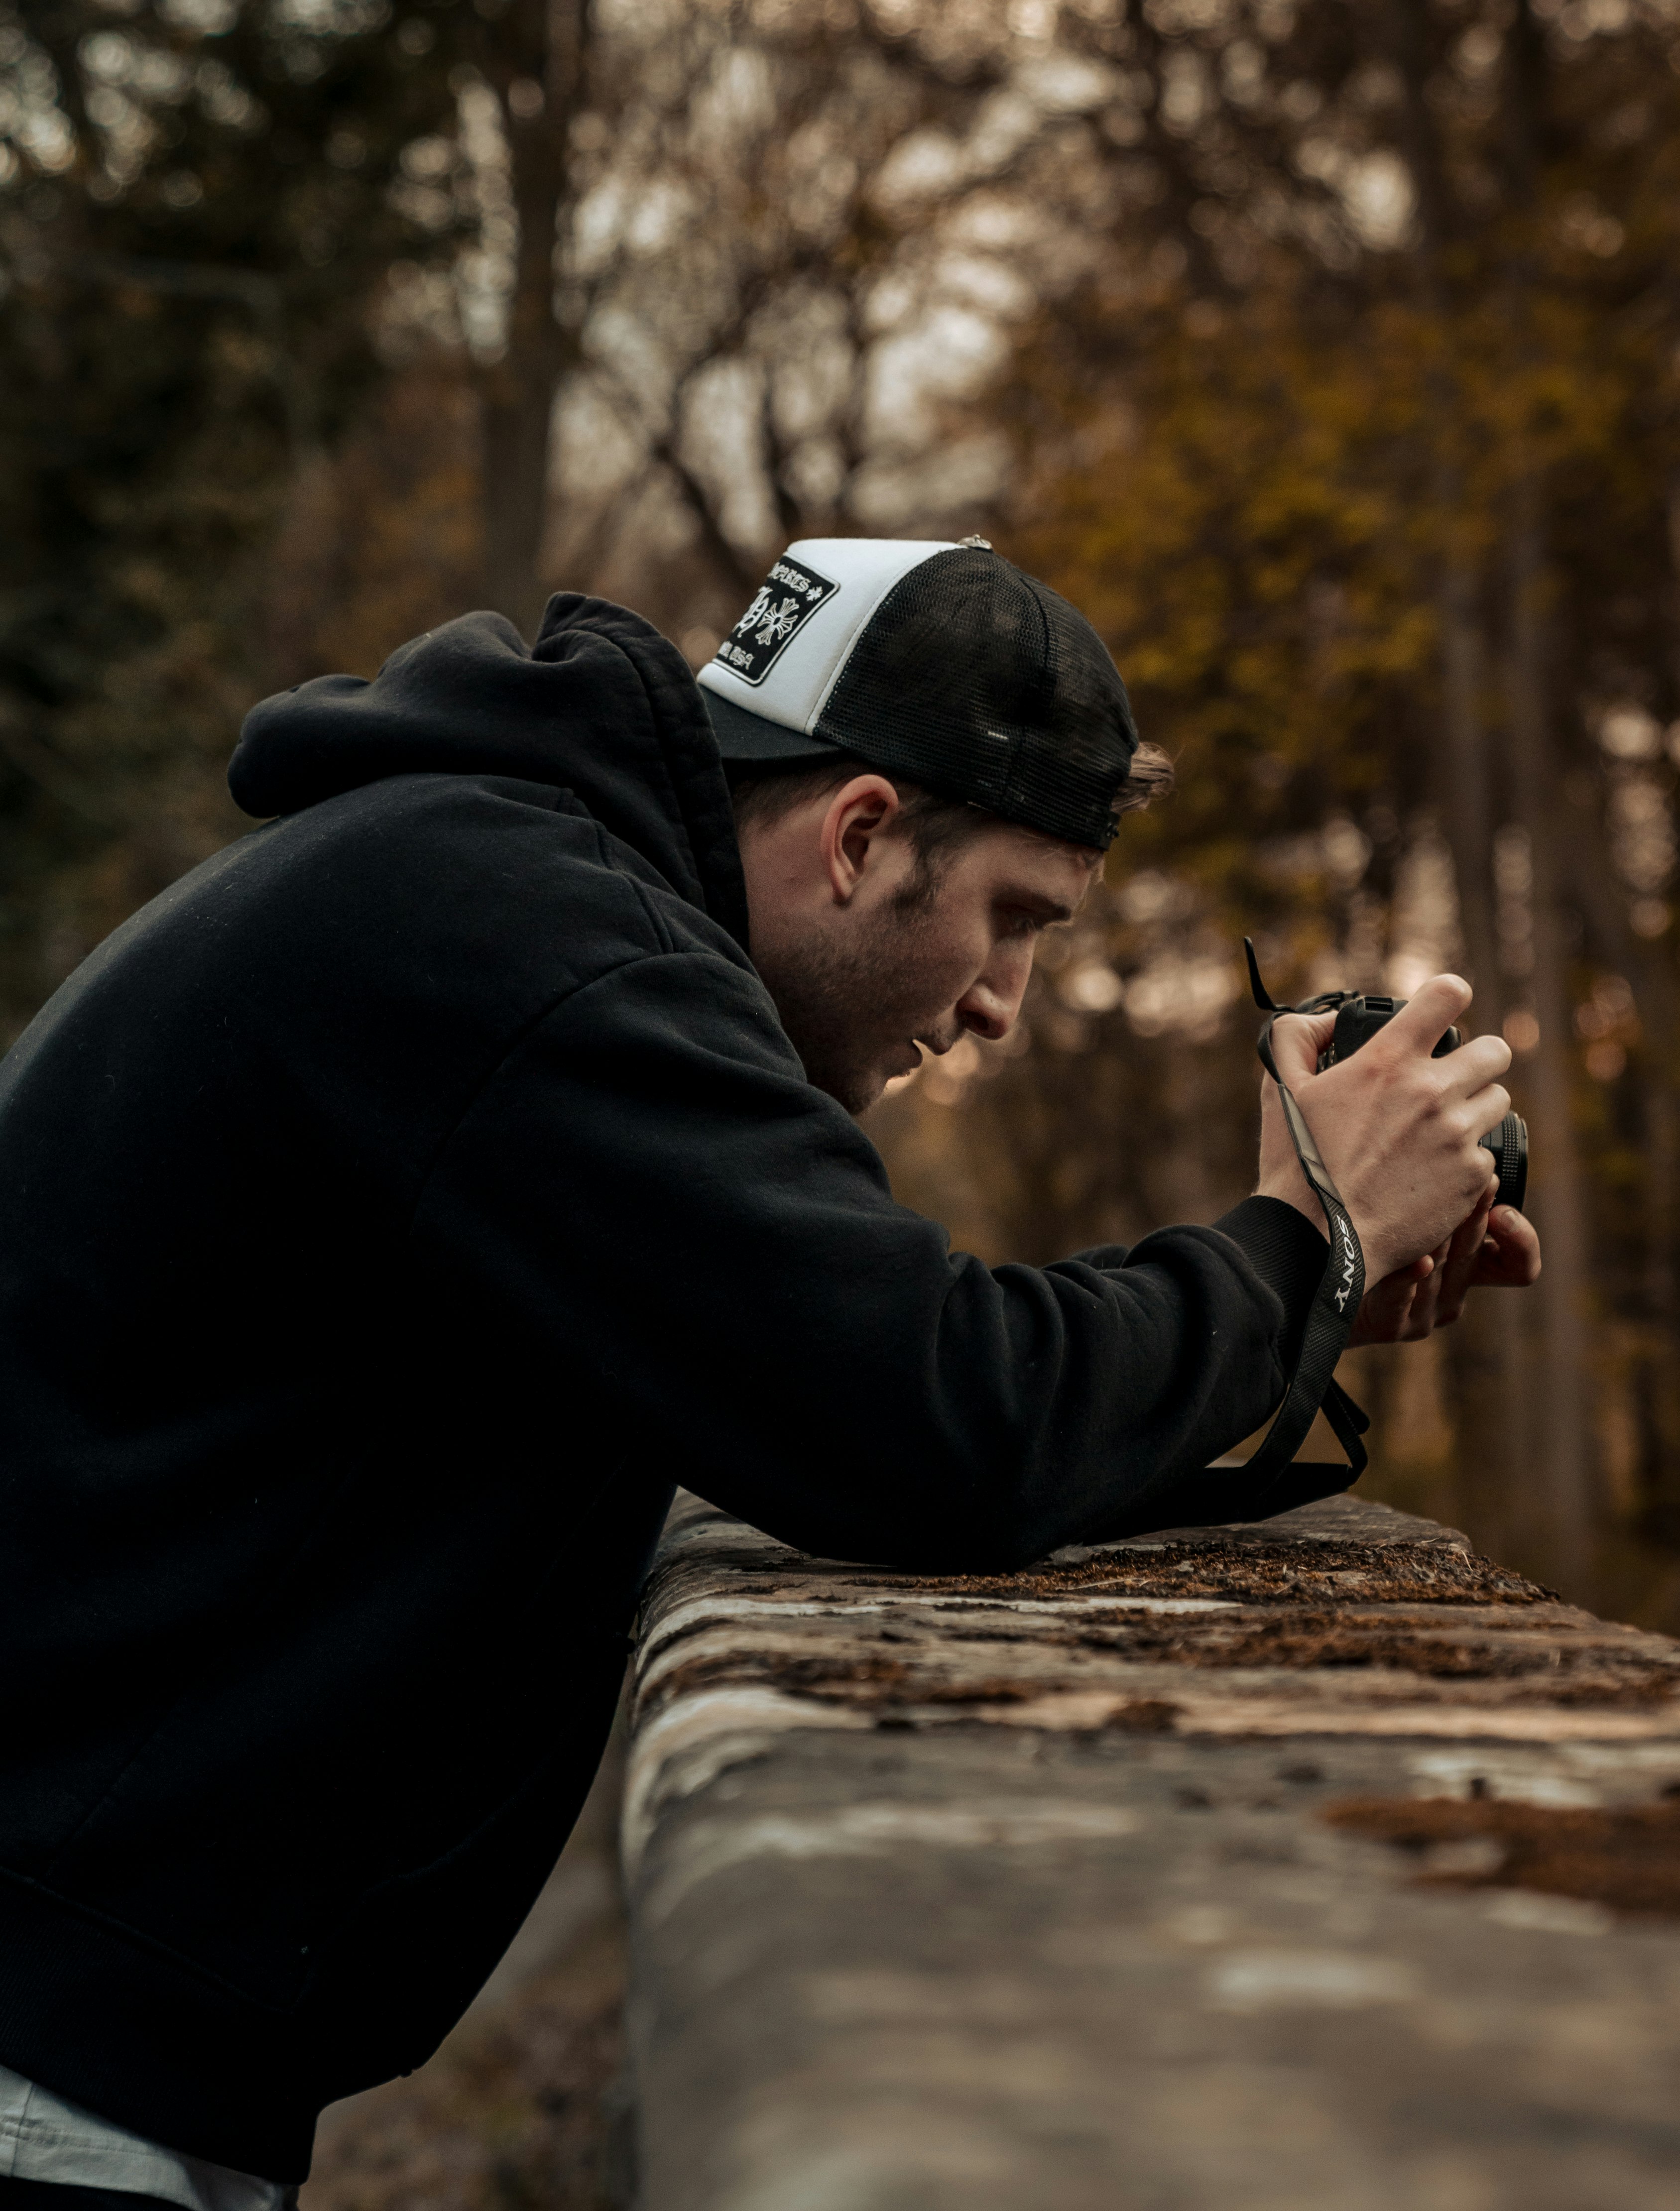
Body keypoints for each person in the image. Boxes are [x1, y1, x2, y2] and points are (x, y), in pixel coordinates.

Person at [0, 537, 1538, 2205]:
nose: (1002, 1006)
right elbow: (942, 1417)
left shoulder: (496, 893)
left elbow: (827, 1388)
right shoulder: (537, 948)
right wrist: (1299, 1230)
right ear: (862, 834)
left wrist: (1303, 1298)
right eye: (1010, 919)